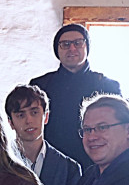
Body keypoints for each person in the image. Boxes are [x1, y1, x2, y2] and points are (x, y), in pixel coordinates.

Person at [31, 23, 122, 168]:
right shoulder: (40, 85)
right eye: (65, 44)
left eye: (78, 43)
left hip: (96, 163)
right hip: (52, 163)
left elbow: (118, 131)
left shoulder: (108, 86)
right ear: (57, 50)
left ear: (86, 47)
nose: (72, 48)